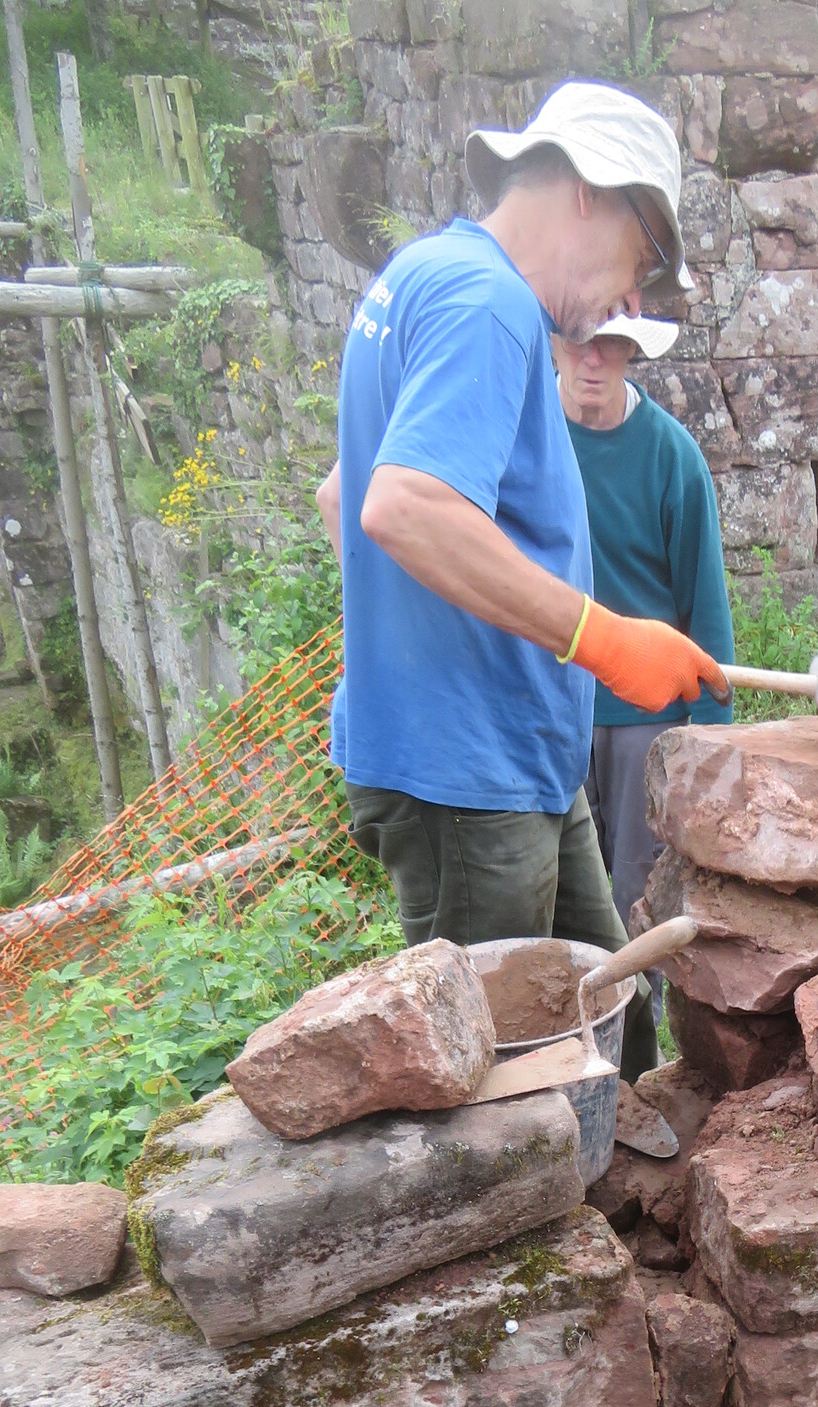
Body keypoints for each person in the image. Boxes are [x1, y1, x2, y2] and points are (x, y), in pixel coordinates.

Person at [314, 81, 728, 1075]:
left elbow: (341, 495)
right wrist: (602, 638)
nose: (634, 300)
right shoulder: (489, 303)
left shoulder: (423, 274)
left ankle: (635, 1156)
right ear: (591, 192)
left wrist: (418, 641)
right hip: (470, 777)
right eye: (643, 258)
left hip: (517, 752)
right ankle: (571, 1177)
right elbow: (403, 507)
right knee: (504, 1076)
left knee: (612, 1000)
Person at [554, 313, 734, 934]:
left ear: (632, 348)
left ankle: (639, 999)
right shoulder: (527, 438)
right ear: (554, 342)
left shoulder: (671, 457)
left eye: (609, 342)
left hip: (644, 718)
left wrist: (709, 749)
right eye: (578, 340)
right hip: (552, 702)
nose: (592, 359)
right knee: (558, 894)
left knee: (640, 894)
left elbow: (705, 609)